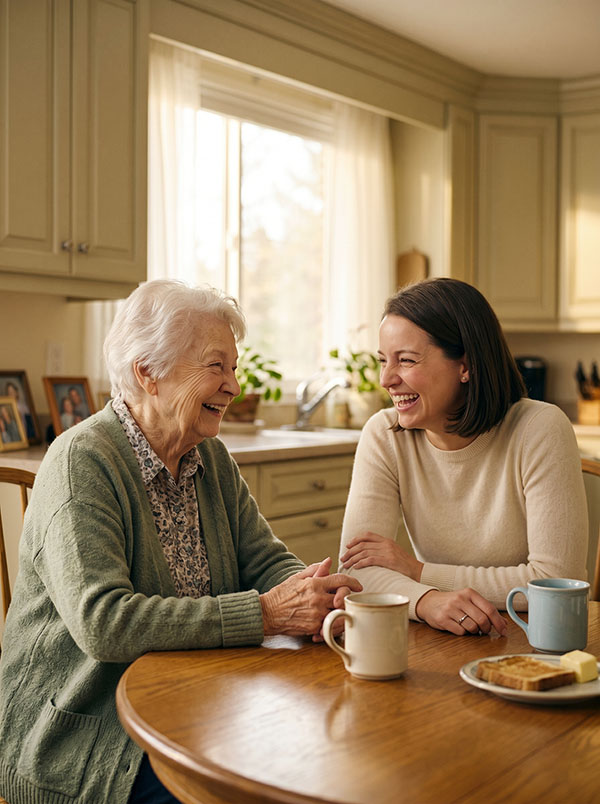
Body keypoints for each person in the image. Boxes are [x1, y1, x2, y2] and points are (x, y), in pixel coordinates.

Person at [0, 279, 360, 804]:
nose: (233, 385)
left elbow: (264, 558)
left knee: (325, 756)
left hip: (196, 702)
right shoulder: (82, 461)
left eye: (233, 367)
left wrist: (317, 595)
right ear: (148, 372)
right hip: (85, 736)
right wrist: (264, 614)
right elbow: (104, 623)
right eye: (216, 367)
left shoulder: (208, 457)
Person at [338, 277, 588, 637]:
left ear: (465, 366)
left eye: (406, 360)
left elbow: (555, 580)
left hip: (531, 637)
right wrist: (426, 601)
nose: (386, 379)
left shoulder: (539, 428)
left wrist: (420, 573)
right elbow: (357, 573)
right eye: (383, 361)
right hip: (440, 632)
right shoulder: (385, 434)